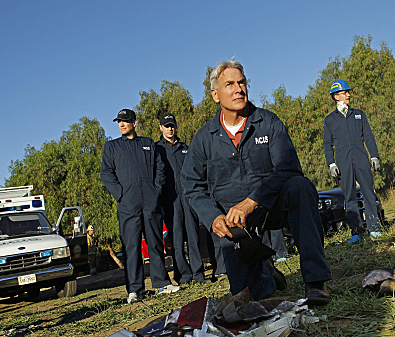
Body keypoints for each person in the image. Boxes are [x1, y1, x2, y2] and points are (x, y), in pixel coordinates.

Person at [181, 60, 332, 304]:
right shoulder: (203, 139)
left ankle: (316, 282)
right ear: (215, 95)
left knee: (301, 187)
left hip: (271, 207)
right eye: (229, 84)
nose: (238, 89)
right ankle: (266, 269)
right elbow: (191, 185)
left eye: (241, 82)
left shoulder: (268, 122)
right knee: (249, 298)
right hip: (235, 224)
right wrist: (213, 218)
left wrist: (252, 201)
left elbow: (289, 169)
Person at [100, 108, 179, 304]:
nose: (121, 124)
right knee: (131, 246)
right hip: (128, 204)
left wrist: (156, 191)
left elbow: (160, 168)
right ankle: (135, 290)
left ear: (134, 123)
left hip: (150, 201)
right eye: (119, 121)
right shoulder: (112, 147)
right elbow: (106, 174)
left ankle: (161, 283)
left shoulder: (147, 144)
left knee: (154, 243)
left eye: (125, 121)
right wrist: (121, 195)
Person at [323, 80, 382, 243]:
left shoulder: (359, 114)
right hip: (343, 163)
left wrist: (374, 156)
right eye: (344, 92)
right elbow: (327, 144)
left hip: (361, 158)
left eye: (348, 92)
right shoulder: (330, 120)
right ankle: (356, 231)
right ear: (336, 96)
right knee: (349, 197)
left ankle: (374, 228)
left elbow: (368, 136)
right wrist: (331, 163)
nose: (348, 95)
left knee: (368, 193)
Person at [156, 113, 207, 285]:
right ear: (160, 127)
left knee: (193, 236)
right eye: (166, 125)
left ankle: (198, 274)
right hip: (170, 200)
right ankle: (183, 276)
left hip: (188, 198)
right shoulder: (157, 150)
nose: (170, 129)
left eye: (172, 125)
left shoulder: (186, 148)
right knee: (176, 240)